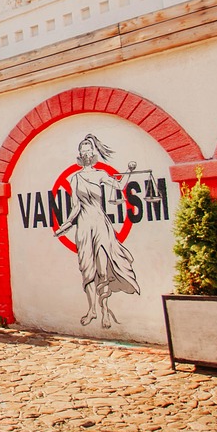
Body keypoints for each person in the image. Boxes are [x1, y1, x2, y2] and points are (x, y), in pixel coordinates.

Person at [53, 134, 140, 329]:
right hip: (84, 226)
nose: (86, 155)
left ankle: (105, 310)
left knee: (102, 268)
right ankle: (92, 309)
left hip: (100, 224)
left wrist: (129, 171)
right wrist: (65, 226)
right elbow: (75, 207)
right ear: (79, 155)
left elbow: (118, 186)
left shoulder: (100, 174)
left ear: (93, 154)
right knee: (87, 269)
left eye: (88, 151)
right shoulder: (75, 178)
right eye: (83, 151)